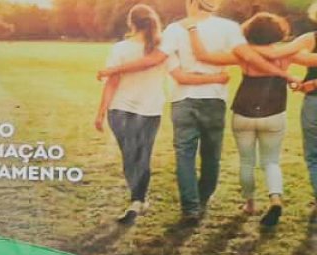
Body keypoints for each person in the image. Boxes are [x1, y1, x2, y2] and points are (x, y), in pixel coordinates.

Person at [187, 10, 317, 226]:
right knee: (272, 161)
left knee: (247, 161)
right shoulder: (285, 54)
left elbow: (204, 56)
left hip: (244, 111)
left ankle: (250, 203)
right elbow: (312, 60)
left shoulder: (242, 54)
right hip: (274, 112)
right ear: (278, 31)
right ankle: (275, 198)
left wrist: (192, 29)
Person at [161, 0, 241, 221]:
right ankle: (203, 197)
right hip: (214, 97)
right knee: (211, 154)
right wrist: (216, 76)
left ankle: (191, 207)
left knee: (184, 155)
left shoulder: (174, 29)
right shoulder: (229, 28)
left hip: (182, 98)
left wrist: (193, 76)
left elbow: (174, 72)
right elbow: (239, 57)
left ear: (191, 3)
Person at [94, 5, 170, 224]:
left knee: (130, 156)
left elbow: (112, 82)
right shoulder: (162, 48)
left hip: (120, 109)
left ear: (131, 23)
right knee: (142, 156)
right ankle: (138, 200)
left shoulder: (121, 48)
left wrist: (100, 113)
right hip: (150, 110)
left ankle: (137, 199)